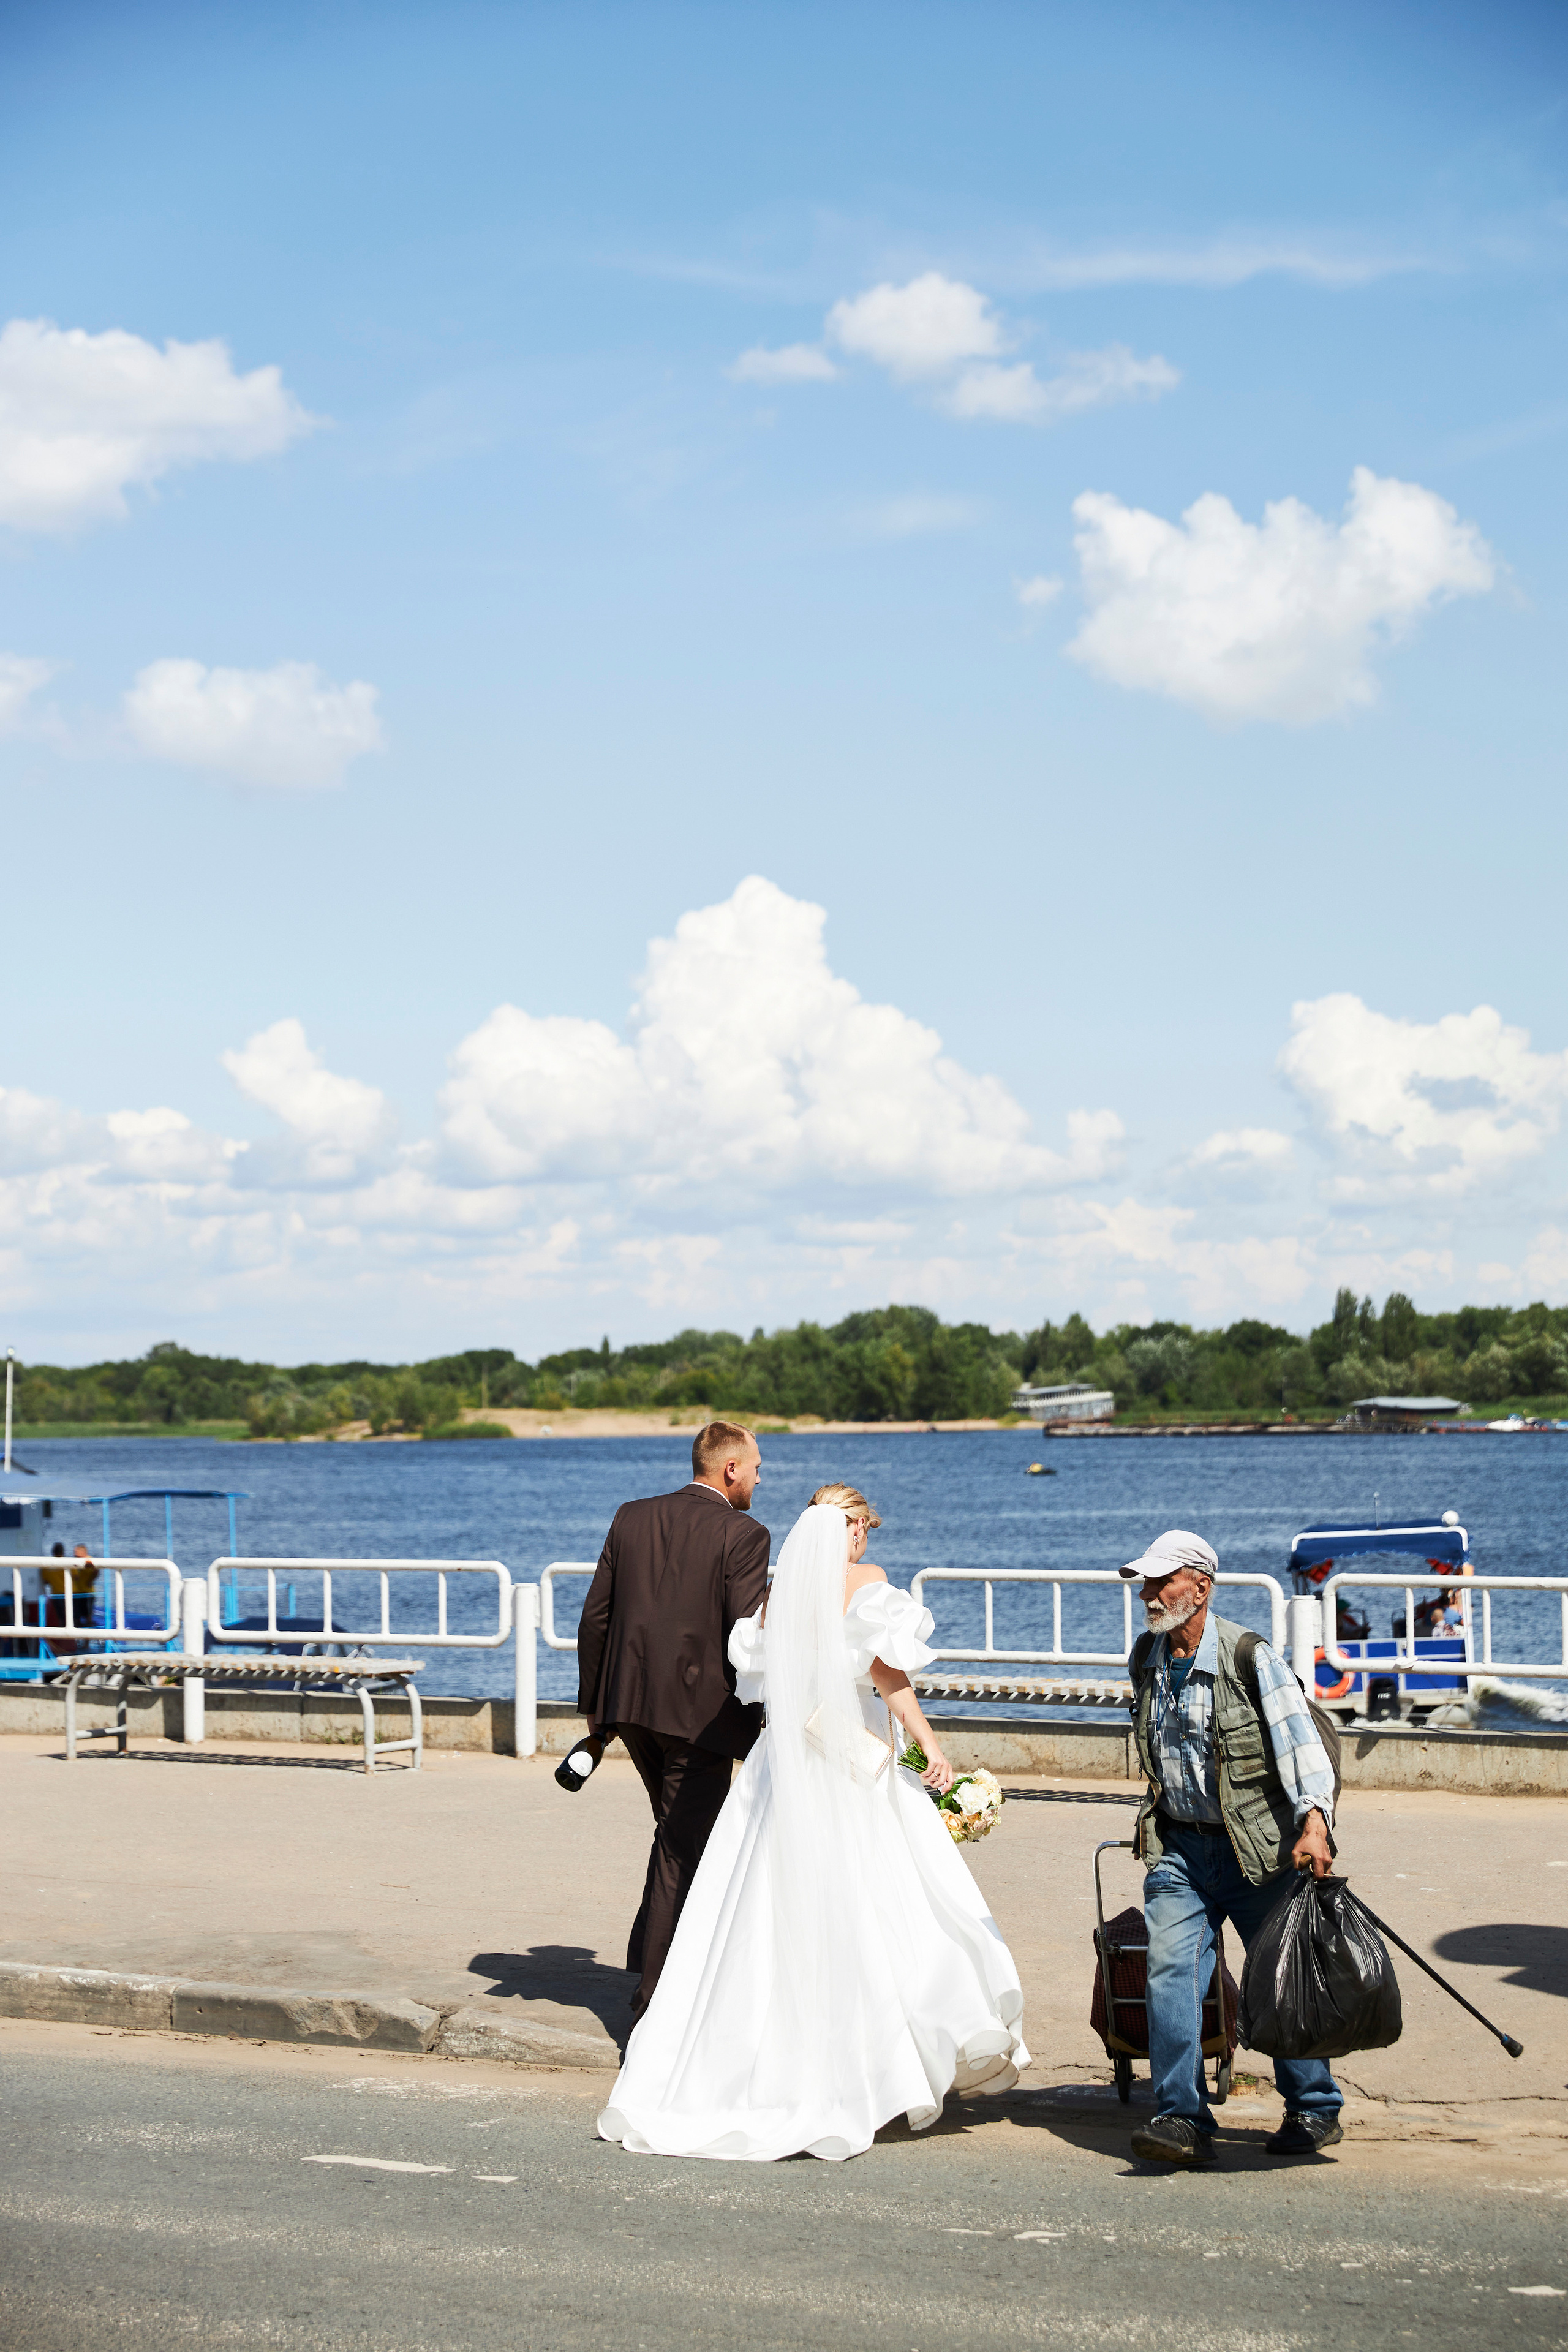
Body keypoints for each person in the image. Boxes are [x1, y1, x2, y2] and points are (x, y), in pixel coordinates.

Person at [597, 1486, 1028, 2162]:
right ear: (851, 1529)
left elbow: (762, 1686)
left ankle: (756, 2065)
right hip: (852, 1763)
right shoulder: (867, 1583)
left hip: (784, 1762)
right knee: (882, 1901)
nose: (867, 1541)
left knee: (765, 1907)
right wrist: (931, 1751)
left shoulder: (778, 1596)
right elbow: (890, 1681)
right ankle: (873, 2068)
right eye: (865, 1529)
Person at [1121, 1529, 1343, 2168]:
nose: (1149, 1594)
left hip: (1259, 1854)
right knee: (1169, 1972)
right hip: (1180, 1851)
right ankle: (1181, 2117)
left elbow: (1299, 1744)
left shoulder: (1250, 1656)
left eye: (1161, 1581)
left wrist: (1314, 1825)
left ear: (1200, 1586)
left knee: (1280, 1981)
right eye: (1144, 1582)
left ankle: (1314, 2106)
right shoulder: (1147, 1659)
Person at [576, 1421, 771, 2023]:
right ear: (730, 1469)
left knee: (677, 1832)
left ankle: (652, 1955)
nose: (761, 1478)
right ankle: (653, 2006)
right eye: (757, 1467)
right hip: (701, 1717)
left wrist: (596, 1710)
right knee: (683, 1844)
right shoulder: (744, 1534)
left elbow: (596, 1618)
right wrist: (767, 1710)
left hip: (630, 1708)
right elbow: (746, 1635)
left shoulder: (631, 1516)